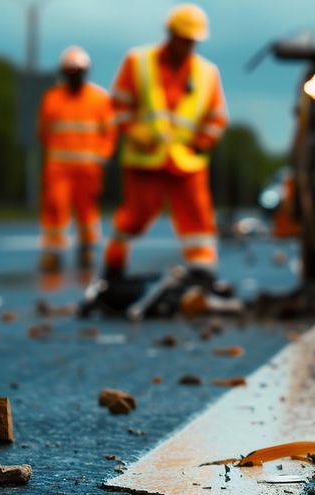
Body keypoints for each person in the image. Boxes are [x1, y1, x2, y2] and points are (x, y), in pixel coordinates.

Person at [102, 3, 228, 289]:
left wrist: (202, 143)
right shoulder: (138, 62)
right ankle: (113, 266)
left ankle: (203, 272)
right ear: (170, 35)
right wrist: (133, 131)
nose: (188, 46)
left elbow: (217, 117)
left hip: (186, 160)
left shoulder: (207, 73)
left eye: (192, 41)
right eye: (183, 39)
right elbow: (119, 103)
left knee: (198, 218)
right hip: (146, 158)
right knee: (135, 216)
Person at [38, 46, 115, 272]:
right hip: (59, 166)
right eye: (70, 72)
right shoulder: (52, 99)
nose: (74, 77)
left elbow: (109, 133)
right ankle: (53, 251)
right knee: (55, 208)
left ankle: (88, 247)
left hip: (88, 167)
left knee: (86, 209)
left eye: (78, 72)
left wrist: (102, 155)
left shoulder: (99, 99)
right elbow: (44, 132)